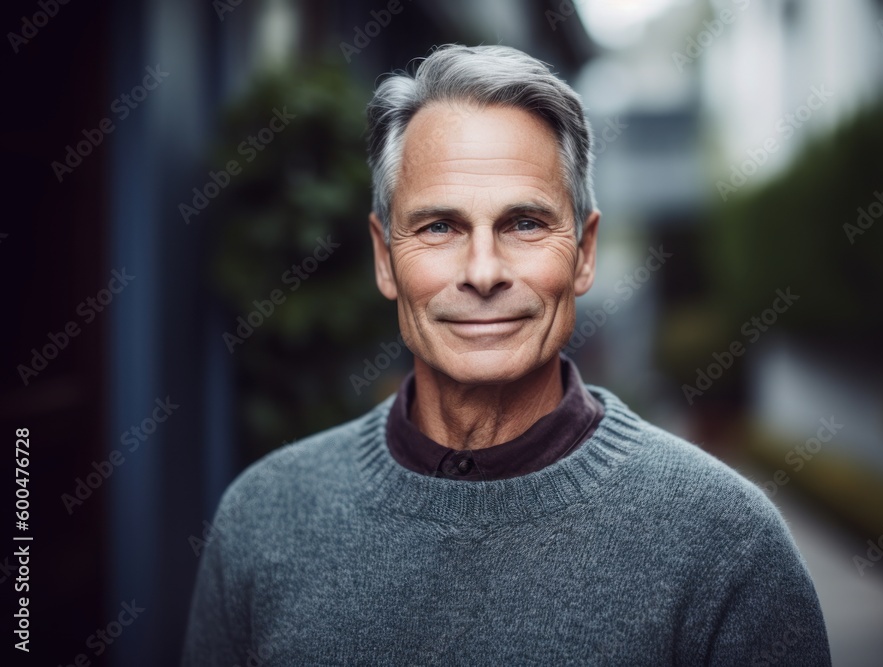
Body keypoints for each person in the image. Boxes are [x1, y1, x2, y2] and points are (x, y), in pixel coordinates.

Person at [182, 44, 831, 665]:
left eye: (524, 223)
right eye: (440, 227)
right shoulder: (263, 520)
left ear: (583, 252)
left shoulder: (727, 544)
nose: (484, 271)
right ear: (385, 257)